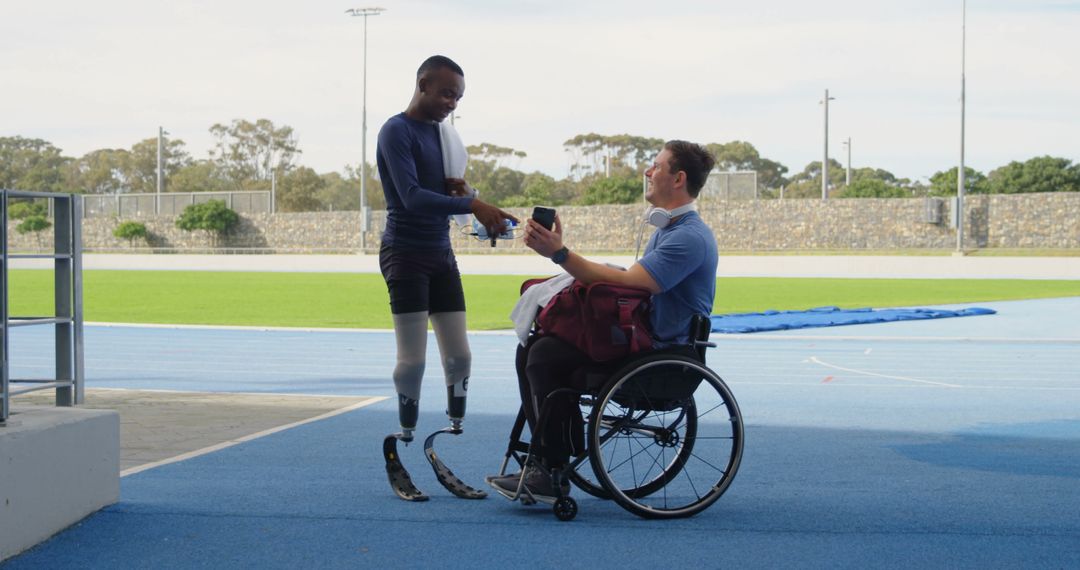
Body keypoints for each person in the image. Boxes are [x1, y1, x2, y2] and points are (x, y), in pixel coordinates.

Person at [489, 140, 718, 500]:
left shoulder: (688, 238)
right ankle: (547, 464)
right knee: (534, 348)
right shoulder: (668, 230)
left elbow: (630, 283)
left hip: (662, 354)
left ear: (678, 179)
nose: (647, 172)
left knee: (543, 355)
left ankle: (549, 467)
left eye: (656, 166)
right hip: (644, 342)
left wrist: (559, 253)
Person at [376, 55, 517, 447]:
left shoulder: (444, 136)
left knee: (460, 357)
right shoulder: (396, 131)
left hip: (440, 254)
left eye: (458, 98)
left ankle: (454, 425)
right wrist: (474, 205)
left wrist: (468, 195)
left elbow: (446, 194)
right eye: (446, 94)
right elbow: (412, 198)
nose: (452, 104)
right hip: (404, 253)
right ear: (422, 85)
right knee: (413, 360)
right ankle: (405, 433)